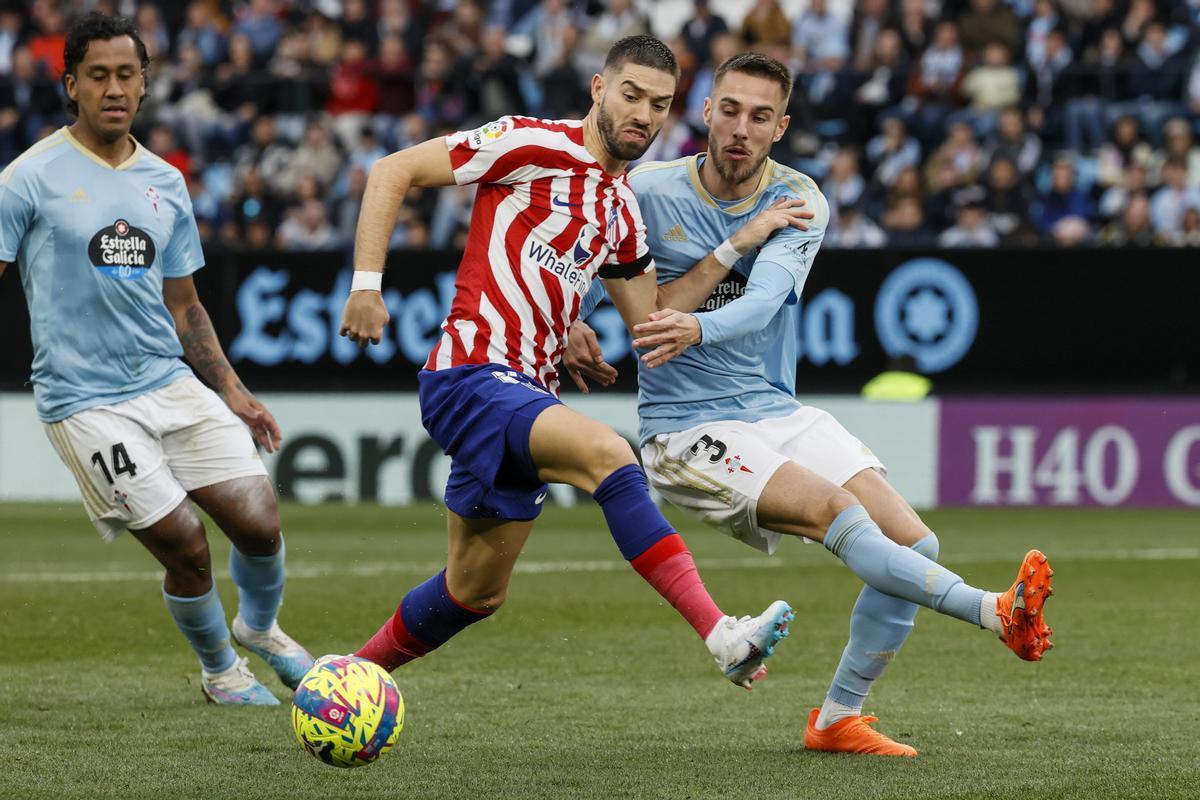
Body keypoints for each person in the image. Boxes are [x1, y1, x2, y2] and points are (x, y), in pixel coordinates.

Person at [565, 52, 1055, 757]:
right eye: (729, 109)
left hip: (774, 409)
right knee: (840, 515)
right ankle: (996, 611)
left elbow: (764, 302)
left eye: (760, 117)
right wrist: (569, 321)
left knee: (916, 541)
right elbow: (588, 266)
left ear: (781, 127)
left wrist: (697, 323)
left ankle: (836, 720)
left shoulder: (798, 199)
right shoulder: (647, 189)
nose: (740, 128)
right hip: (686, 427)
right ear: (706, 110)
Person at [338, 36, 815, 691]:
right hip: (471, 375)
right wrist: (367, 283)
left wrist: (736, 243)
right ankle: (721, 633)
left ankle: (344, 678)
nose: (643, 115)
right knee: (609, 455)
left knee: (474, 592)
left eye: (660, 104)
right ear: (598, 89)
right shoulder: (531, 144)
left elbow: (653, 319)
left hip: (523, 392)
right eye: (631, 95)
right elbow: (394, 170)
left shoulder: (621, 213)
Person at [0, 14, 312, 705]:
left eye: (127, 75)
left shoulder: (165, 181)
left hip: (169, 381)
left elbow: (186, 306)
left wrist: (231, 389)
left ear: (144, 85)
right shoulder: (26, 179)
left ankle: (260, 630)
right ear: (70, 84)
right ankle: (221, 672)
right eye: (99, 76)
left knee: (261, 521)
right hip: (84, 400)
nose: (114, 88)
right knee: (186, 543)